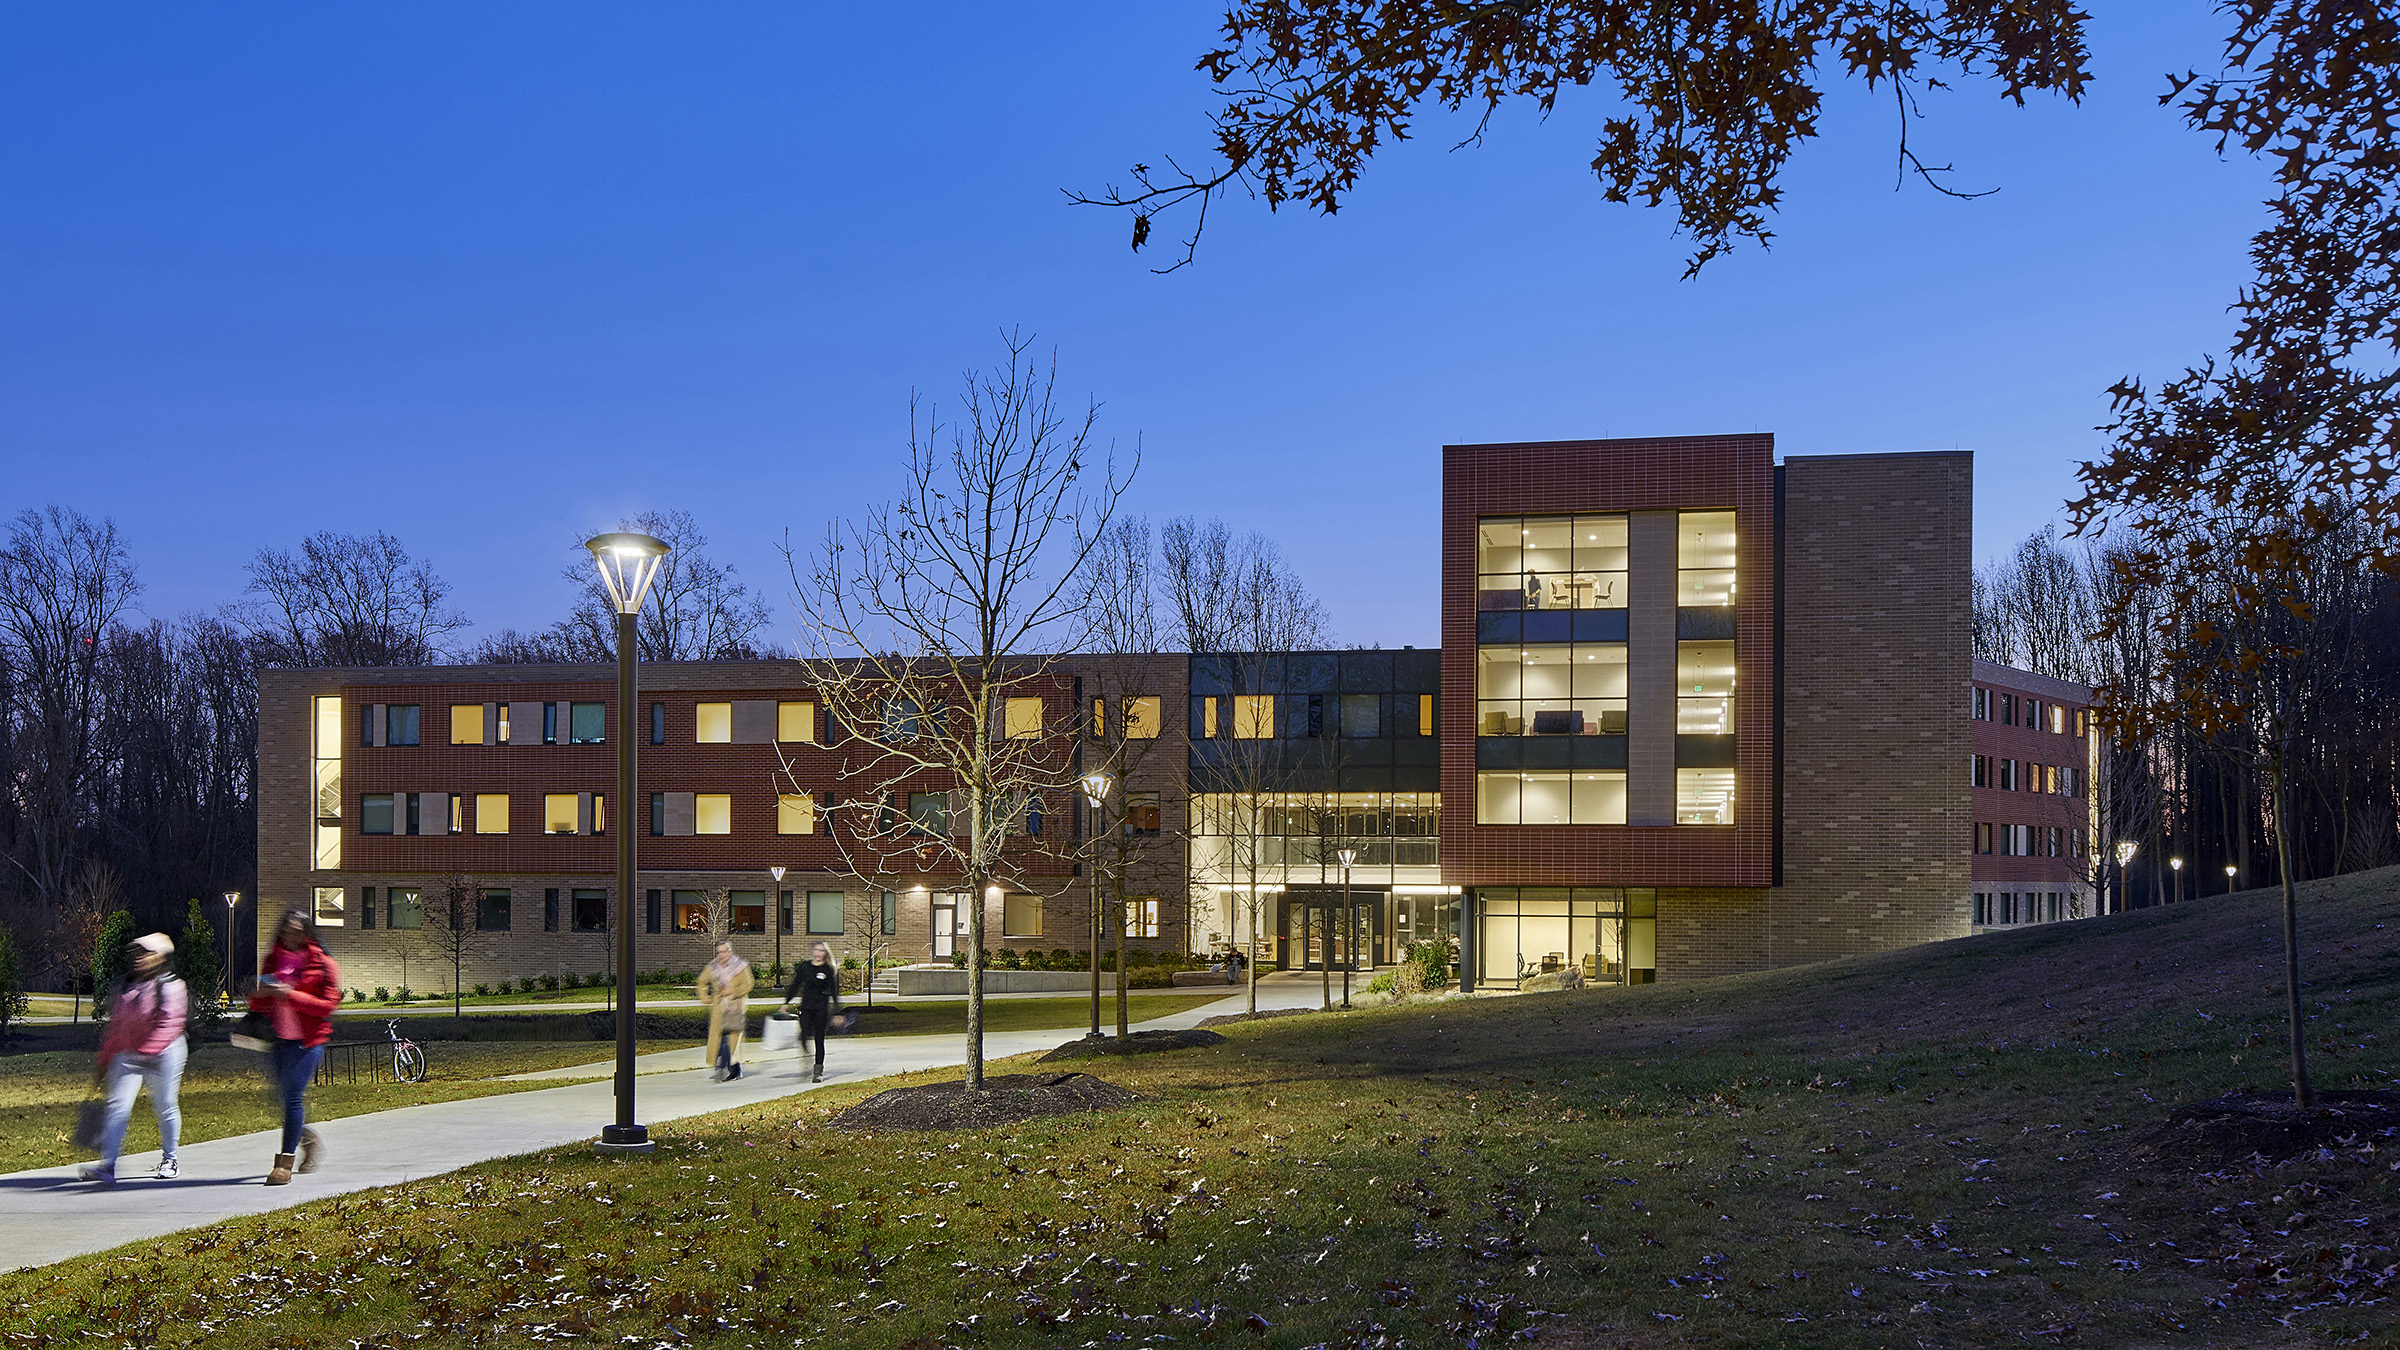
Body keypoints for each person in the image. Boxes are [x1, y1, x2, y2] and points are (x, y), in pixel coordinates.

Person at [79, 932, 190, 1183]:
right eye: (136, 953)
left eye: (146, 953)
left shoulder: (171, 986)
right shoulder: (125, 986)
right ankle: (108, 1165)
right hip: (129, 1054)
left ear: (160, 957)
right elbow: (115, 1028)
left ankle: (170, 1159)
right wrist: (104, 1061)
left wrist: (146, 1052)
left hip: (166, 1053)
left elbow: (170, 1024)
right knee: (116, 1108)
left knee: (165, 1105)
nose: (139, 958)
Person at [253, 909, 342, 1186]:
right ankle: (309, 1139)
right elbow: (258, 1004)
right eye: (286, 929)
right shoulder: (273, 958)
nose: (290, 934)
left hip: (308, 1041)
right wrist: (259, 993)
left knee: (292, 1097)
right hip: (278, 1039)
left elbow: (328, 1006)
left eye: (296, 930)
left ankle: (284, 1163)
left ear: (306, 933)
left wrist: (290, 994)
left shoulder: (323, 963)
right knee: (281, 1099)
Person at [780, 941, 841, 1083]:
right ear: (812, 951)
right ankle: (805, 1049)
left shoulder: (828, 970)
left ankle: (818, 1071)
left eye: (821, 950)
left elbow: (833, 991)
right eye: (816, 950)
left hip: (821, 1009)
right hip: (806, 1007)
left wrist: (838, 1012)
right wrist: (786, 1002)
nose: (818, 953)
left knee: (819, 1040)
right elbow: (795, 985)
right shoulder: (805, 967)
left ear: (825, 953)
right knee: (804, 1033)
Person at [696, 941, 753, 1081]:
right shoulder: (713, 967)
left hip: (735, 1008)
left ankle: (731, 1069)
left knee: (731, 1040)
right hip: (719, 1008)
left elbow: (748, 984)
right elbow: (702, 982)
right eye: (719, 952)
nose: (721, 955)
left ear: (729, 952)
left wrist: (733, 991)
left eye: (723, 952)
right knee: (719, 1040)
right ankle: (722, 1068)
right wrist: (705, 997)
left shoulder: (740, 966)